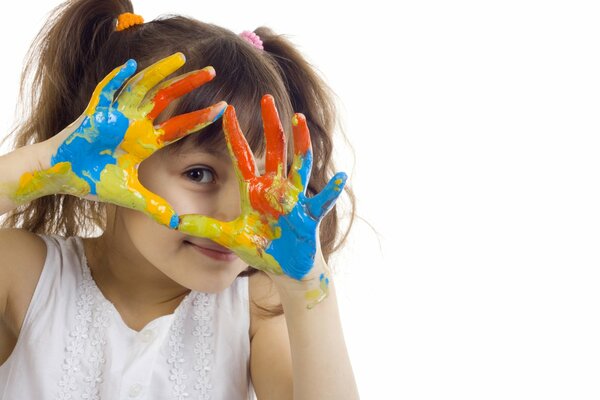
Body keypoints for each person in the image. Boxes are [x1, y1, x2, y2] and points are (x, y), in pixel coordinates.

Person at [0, 0, 359, 399]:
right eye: (199, 174)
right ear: (110, 161)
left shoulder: (256, 308)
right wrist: (41, 164)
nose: (233, 212)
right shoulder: (24, 273)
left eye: (256, 182)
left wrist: (306, 286)